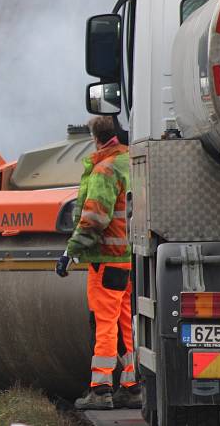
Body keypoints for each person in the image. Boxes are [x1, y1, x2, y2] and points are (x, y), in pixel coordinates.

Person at [56, 116, 137, 410]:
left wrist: (70, 252)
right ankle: (132, 385)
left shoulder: (104, 170)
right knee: (127, 323)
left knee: (105, 324)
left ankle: (100, 389)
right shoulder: (131, 161)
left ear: (96, 138)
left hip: (106, 261)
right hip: (130, 259)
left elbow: (94, 219)